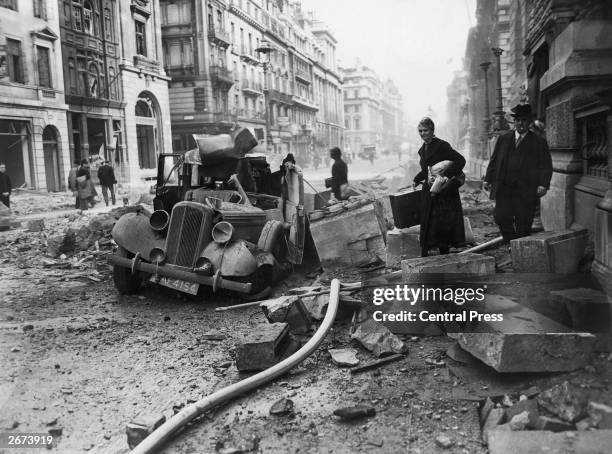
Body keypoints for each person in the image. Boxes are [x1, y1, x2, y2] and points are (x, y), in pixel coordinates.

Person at [484, 104, 552, 243]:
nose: (521, 123)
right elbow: (494, 159)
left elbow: (546, 165)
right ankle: (511, 242)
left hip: (526, 189)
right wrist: (488, 179)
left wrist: (544, 184)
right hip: (505, 188)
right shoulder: (504, 139)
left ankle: (519, 249)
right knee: (501, 217)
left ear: (529, 122)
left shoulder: (538, 142)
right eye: (518, 120)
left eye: (525, 120)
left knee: (524, 222)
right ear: (514, 121)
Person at [413, 117, 466, 257]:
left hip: (444, 192)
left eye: (425, 130)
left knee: (443, 224)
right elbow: (427, 170)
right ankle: (426, 253)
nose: (422, 133)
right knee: (428, 221)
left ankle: (444, 255)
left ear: (432, 130)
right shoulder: (422, 149)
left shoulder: (442, 145)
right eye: (420, 131)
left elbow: (460, 160)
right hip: (430, 190)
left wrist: (445, 175)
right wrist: (417, 179)